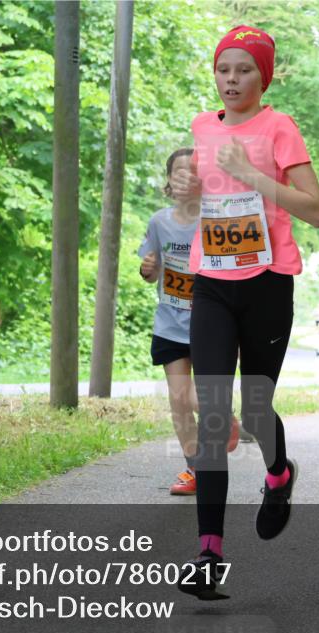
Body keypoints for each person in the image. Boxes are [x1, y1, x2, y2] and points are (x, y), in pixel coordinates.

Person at [171, 25, 319, 599]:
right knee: (214, 414)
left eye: (243, 70)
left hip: (266, 282)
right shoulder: (201, 128)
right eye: (223, 69)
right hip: (211, 280)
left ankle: (279, 473)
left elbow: (316, 211)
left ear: (263, 75)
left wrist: (255, 177)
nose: (231, 80)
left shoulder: (279, 127)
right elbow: (193, 207)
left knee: (255, 406)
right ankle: (208, 553)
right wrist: (186, 190)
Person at [138, 148, 238, 496]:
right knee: (178, 397)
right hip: (169, 321)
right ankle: (194, 468)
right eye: (179, 171)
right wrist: (148, 269)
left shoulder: (216, 219)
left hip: (210, 321)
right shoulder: (158, 221)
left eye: (194, 171)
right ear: (169, 181)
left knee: (201, 394)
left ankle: (223, 417)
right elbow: (150, 267)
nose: (186, 176)